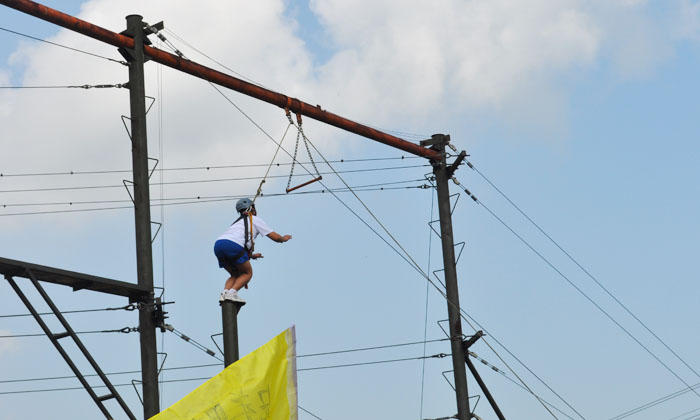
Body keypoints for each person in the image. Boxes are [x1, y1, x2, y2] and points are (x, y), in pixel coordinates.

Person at [213, 198, 292, 303]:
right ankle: (231, 293)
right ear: (252, 209)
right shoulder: (255, 219)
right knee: (247, 273)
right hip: (233, 245)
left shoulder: (236, 223)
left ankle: (225, 293)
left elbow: (236, 244)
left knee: (235, 274)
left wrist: (252, 256)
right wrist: (283, 238)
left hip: (218, 245)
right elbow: (276, 238)